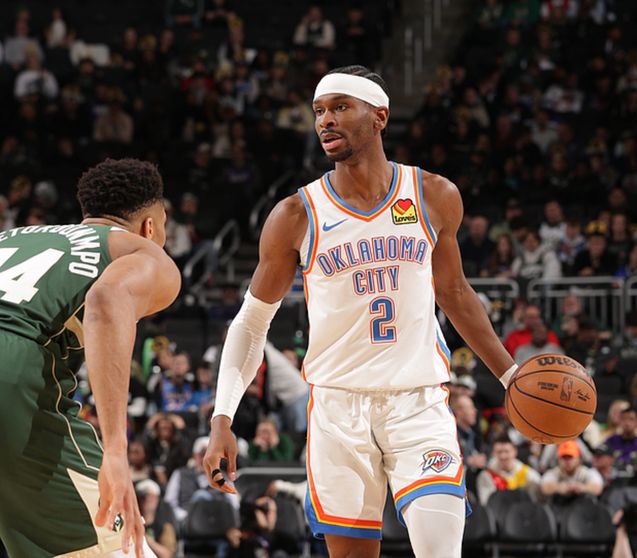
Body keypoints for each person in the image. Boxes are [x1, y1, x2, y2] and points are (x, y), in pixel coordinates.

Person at [204, 65, 517, 558]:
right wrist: (222, 416)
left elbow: (455, 293)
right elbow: (251, 321)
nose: (325, 120)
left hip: (418, 402)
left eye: (340, 107)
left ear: (379, 117)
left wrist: (511, 375)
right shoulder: (295, 215)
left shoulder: (433, 195)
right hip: (337, 410)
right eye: (319, 111)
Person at [0, 158, 181, 557]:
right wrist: (116, 450)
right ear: (151, 226)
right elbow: (107, 298)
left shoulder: (13, 236)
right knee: (119, 545)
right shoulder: (141, 252)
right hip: (13, 370)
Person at [476, 434, 542, 505]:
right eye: (499, 452)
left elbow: (539, 497)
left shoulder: (527, 473)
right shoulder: (486, 476)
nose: (503, 456)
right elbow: (486, 503)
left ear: (515, 451)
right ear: (493, 453)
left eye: (506, 451)